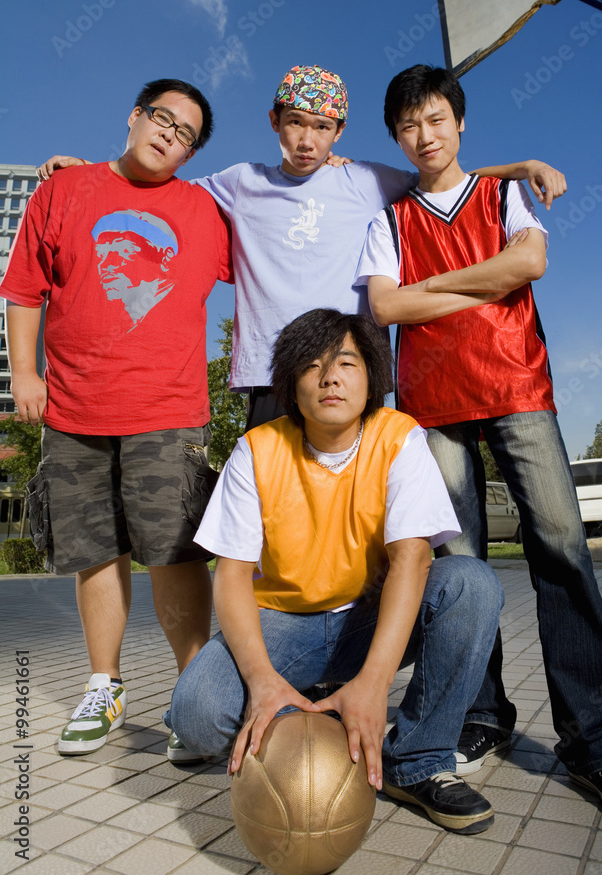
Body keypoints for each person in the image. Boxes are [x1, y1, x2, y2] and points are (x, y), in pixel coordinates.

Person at [354, 63, 602, 830]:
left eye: (434, 119)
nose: (422, 136)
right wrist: (482, 279)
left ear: (459, 125)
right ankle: (480, 715)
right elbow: (386, 304)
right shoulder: (388, 221)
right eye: (406, 125)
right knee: (460, 569)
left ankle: (597, 746)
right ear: (395, 135)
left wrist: (438, 290)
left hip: (517, 386)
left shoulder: (503, 193)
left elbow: (529, 262)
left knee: (561, 551)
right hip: (430, 403)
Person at [38, 64, 566, 430]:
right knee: (274, 508)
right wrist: (91, 170)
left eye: (321, 128)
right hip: (271, 369)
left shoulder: (365, 180)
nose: (307, 141)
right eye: (295, 124)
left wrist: (521, 168)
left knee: (359, 510)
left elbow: (445, 176)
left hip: (353, 364)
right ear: (275, 122)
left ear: (338, 132)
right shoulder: (242, 181)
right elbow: (160, 187)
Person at [165, 308, 505, 835]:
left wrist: (374, 684)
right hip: (286, 622)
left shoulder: (399, 437)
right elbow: (230, 575)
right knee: (196, 717)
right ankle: (313, 716)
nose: (330, 377)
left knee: (471, 584)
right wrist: (261, 681)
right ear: (289, 385)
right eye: (313, 366)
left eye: (347, 362)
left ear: (370, 377)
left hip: (369, 617)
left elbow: (414, 558)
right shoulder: (256, 449)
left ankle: (415, 762)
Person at [1, 80, 233, 761]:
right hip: (74, 408)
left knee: (173, 551)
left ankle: (195, 694)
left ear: (190, 152)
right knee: (94, 550)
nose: (170, 134)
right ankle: (104, 685)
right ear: (134, 118)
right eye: (162, 118)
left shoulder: (203, 211)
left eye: (186, 132)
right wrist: (23, 374)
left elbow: (282, 229)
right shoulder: (62, 191)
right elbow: (22, 289)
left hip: (167, 410)